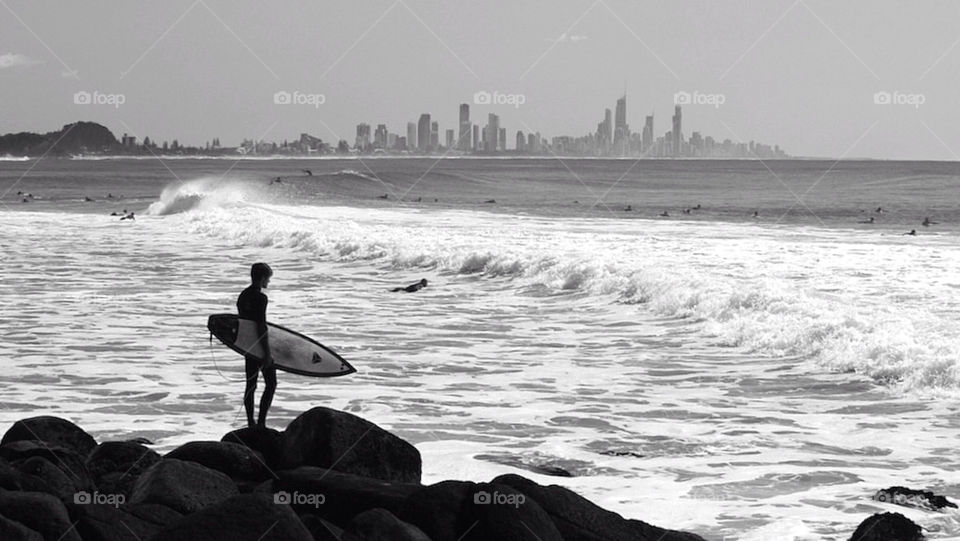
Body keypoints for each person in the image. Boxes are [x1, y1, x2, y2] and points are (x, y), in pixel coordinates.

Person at [236, 263, 277, 428]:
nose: (269, 281)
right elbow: (260, 326)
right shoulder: (261, 298)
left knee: (251, 384)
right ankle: (261, 423)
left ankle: (250, 422)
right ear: (262, 278)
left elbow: (244, 323)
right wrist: (267, 354)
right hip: (259, 345)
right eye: (268, 278)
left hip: (247, 345)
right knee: (271, 383)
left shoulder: (243, 295)